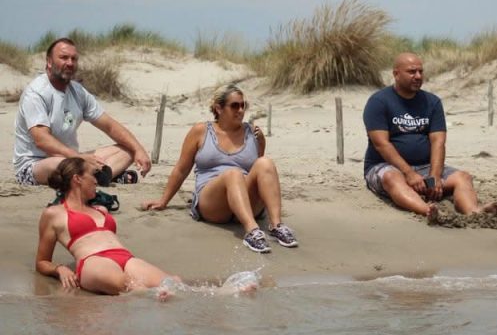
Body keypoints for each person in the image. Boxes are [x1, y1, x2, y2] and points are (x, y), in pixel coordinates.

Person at [142, 83, 298, 253]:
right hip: (213, 203)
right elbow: (181, 169)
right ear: (219, 108)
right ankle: (252, 231)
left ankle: (276, 226)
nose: (240, 110)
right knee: (233, 173)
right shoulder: (200, 131)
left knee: (265, 163)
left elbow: (261, 175)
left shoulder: (254, 134)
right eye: (234, 106)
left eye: (243, 105)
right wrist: (163, 201)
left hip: (246, 199)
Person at [363, 52, 497, 218]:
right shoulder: (379, 101)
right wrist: (409, 173)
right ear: (396, 74)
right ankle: (427, 210)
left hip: (425, 166)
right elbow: (381, 144)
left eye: (420, 71)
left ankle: (474, 212)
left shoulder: (432, 102)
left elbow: (438, 142)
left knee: (463, 177)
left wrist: (434, 176)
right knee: (392, 177)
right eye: (412, 72)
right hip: (385, 166)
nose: (418, 76)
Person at [13, 37, 151, 186]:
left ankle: (97, 175)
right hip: (35, 165)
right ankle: (103, 175)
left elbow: (109, 126)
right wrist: (79, 157)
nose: (70, 63)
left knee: (128, 150)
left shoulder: (78, 91)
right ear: (49, 61)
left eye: (74, 59)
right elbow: (42, 140)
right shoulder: (36, 93)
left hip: (72, 159)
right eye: (64, 58)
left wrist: (139, 149)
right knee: (69, 167)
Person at [36, 157, 177, 295]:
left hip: (126, 258)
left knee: (173, 284)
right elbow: (42, 262)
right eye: (92, 175)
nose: (96, 181)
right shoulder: (53, 213)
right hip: (93, 260)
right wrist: (60, 269)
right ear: (77, 179)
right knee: (133, 287)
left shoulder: (101, 209)